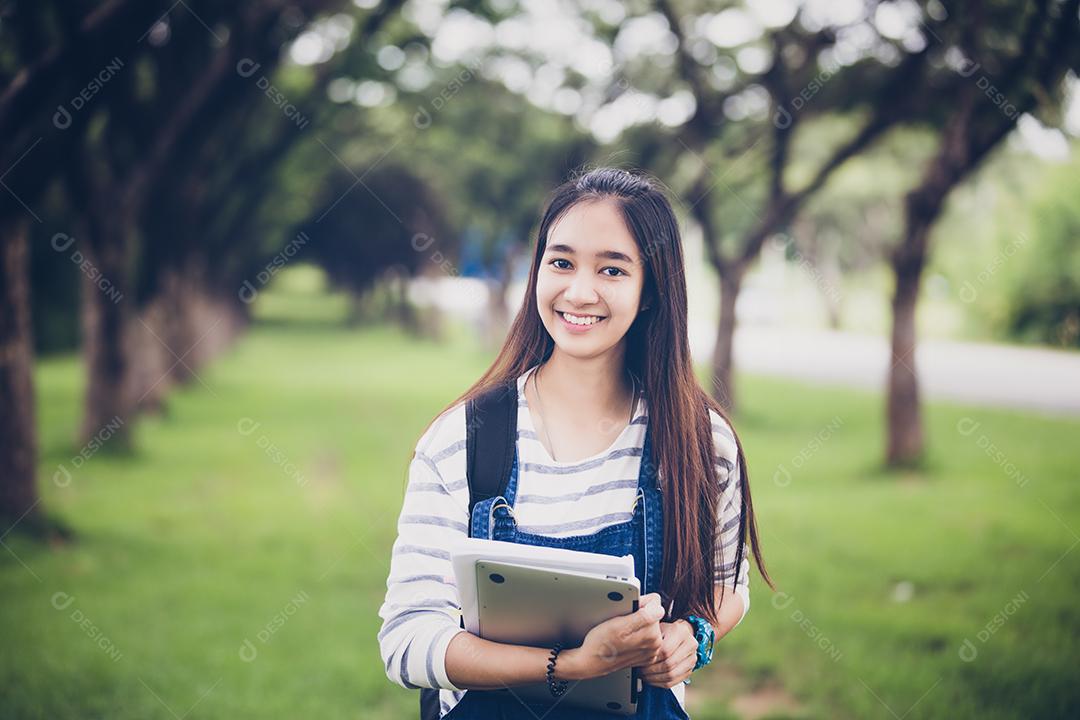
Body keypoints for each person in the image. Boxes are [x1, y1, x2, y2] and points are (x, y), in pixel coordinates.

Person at [378, 167, 773, 719]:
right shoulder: (462, 440)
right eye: (561, 262)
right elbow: (406, 641)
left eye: (612, 269)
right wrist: (569, 665)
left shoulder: (702, 443)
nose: (578, 291)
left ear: (652, 290)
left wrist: (694, 635)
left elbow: (726, 586)